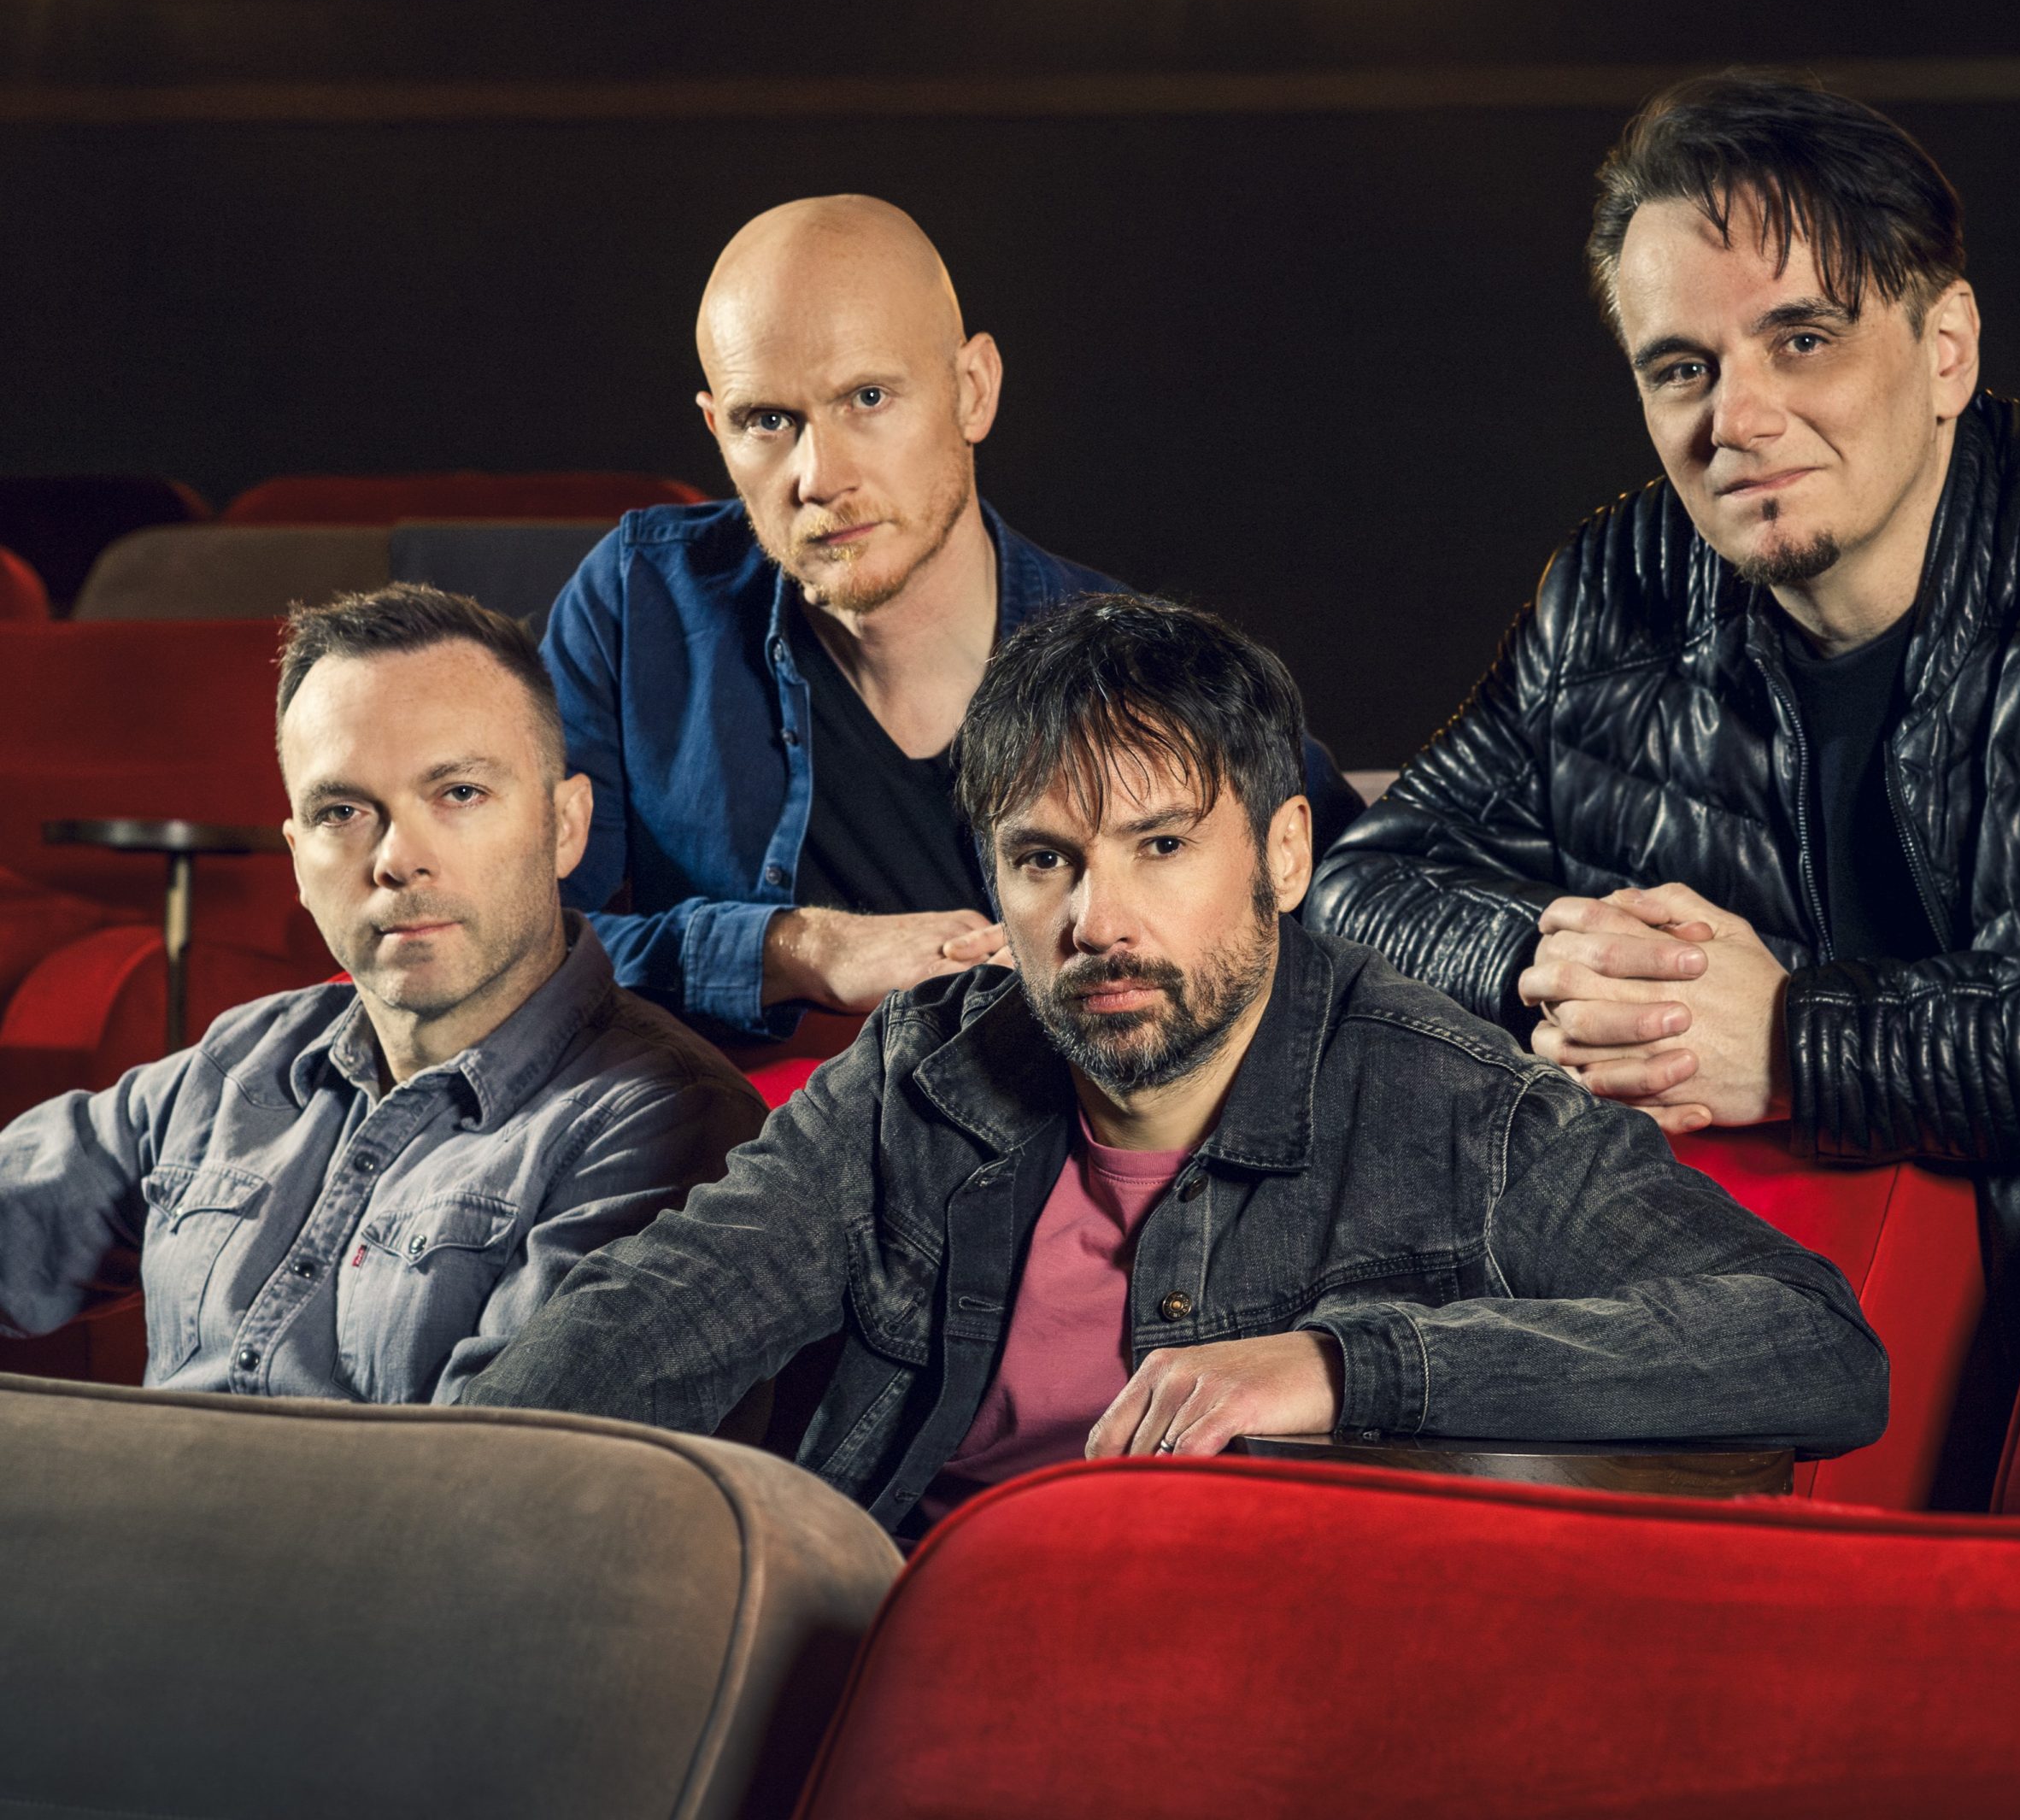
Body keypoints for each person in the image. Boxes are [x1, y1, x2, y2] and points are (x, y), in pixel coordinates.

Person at [461, 595, 1884, 1538]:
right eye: (1045, 862)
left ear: (1285, 855)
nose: (1100, 920)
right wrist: (438, 1497)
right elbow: (650, 1319)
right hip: (889, 1665)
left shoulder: (1462, 1108)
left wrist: (1342, 1367)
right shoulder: (922, 1078)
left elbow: (1814, 1348)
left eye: (1159, 846)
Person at [1304, 70, 2020, 1431]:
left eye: (1802, 340)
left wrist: (1795, 1042)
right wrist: (1568, 967)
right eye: (1683, 370)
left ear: (1946, 348)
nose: (1739, 420)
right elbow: (1358, 886)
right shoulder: (1617, 588)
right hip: (1762, 1357)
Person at [545, 194, 1360, 1048]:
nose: (818, 477)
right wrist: (797, 950)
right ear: (718, 429)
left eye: (867, 397)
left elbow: (1355, 898)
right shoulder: (642, 599)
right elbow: (514, 949)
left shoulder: (1141, 672)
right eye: (768, 421)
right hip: (721, 1126)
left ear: (973, 391)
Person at [0, 584, 758, 1403]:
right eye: (342, 810)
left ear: (566, 826)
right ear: (297, 858)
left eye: (459, 793)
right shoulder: (234, 1065)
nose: (398, 859)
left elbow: (512, 1470)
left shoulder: (665, 1125)